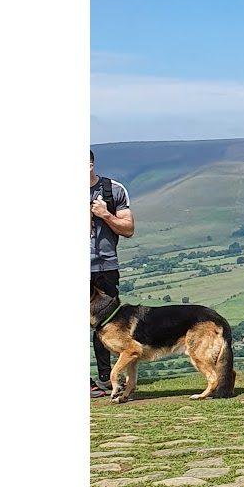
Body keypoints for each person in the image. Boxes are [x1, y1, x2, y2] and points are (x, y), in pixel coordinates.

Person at [90, 148, 135, 398]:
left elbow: (128, 229)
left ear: (91, 164)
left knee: (107, 324)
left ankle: (107, 378)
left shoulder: (113, 190)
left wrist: (105, 214)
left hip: (106, 265)